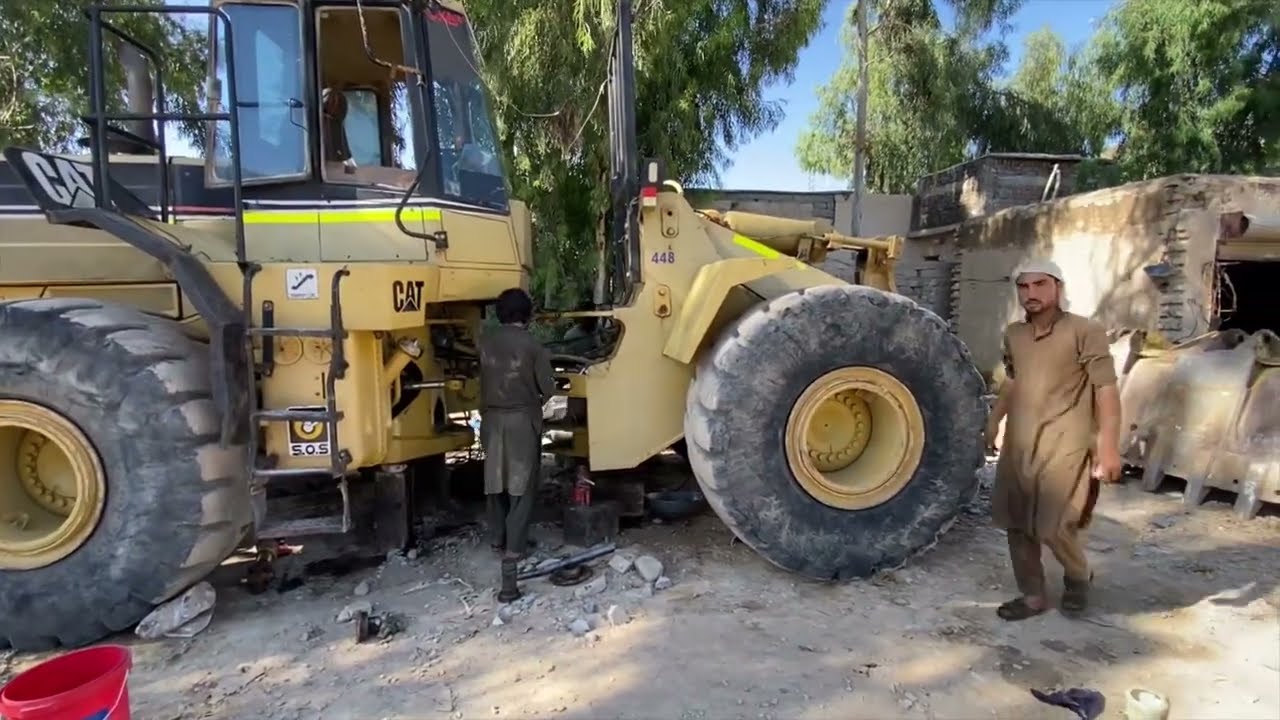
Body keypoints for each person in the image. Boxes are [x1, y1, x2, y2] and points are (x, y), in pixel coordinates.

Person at [985, 258, 1123, 620]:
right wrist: (994, 420)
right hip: (1019, 443)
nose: (1031, 293)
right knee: (1016, 523)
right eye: (1024, 287)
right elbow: (1011, 382)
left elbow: (1105, 389)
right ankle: (1033, 596)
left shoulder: (1085, 331)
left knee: (1053, 524)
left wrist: (1108, 448)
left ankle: (1078, 576)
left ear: (1058, 288)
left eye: (1040, 284)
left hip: (1066, 441)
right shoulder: (1014, 334)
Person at [477, 288, 556, 603]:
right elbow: (548, 388)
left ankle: (497, 540)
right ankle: (515, 548)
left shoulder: (485, 343)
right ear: (528, 315)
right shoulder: (533, 346)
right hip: (522, 421)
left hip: (492, 421)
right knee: (521, 486)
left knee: (494, 482)